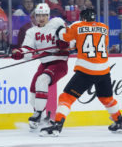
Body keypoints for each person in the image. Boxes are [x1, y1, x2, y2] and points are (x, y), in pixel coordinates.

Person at [40, 8, 122, 137]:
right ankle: (119, 121)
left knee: (66, 97)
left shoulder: (78, 26)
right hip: (104, 71)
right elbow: (94, 43)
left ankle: (57, 125)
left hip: (86, 70)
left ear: (82, 18)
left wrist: (60, 28)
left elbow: (64, 36)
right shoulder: (104, 28)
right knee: (106, 98)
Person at [11, 3, 71, 130]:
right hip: (45, 63)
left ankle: (37, 113)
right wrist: (20, 53)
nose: (41, 18)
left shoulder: (56, 23)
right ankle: (43, 116)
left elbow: (66, 35)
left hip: (59, 62)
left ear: (48, 15)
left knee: (42, 80)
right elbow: (28, 49)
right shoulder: (31, 32)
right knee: (33, 89)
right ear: (35, 17)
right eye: (39, 15)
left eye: (44, 15)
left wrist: (64, 42)